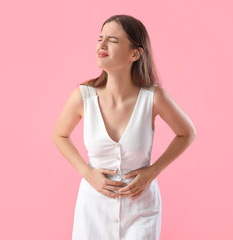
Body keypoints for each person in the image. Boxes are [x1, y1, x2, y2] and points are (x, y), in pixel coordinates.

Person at [52, 14, 196, 240]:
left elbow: (187, 133)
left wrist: (152, 171)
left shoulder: (153, 97)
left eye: (113, 40)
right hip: (93, 208)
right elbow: (59, 134)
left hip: (141, 209)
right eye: (100, 38)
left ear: (135, 53)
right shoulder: (83, 96)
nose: (102, 45)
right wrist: (86, 172)